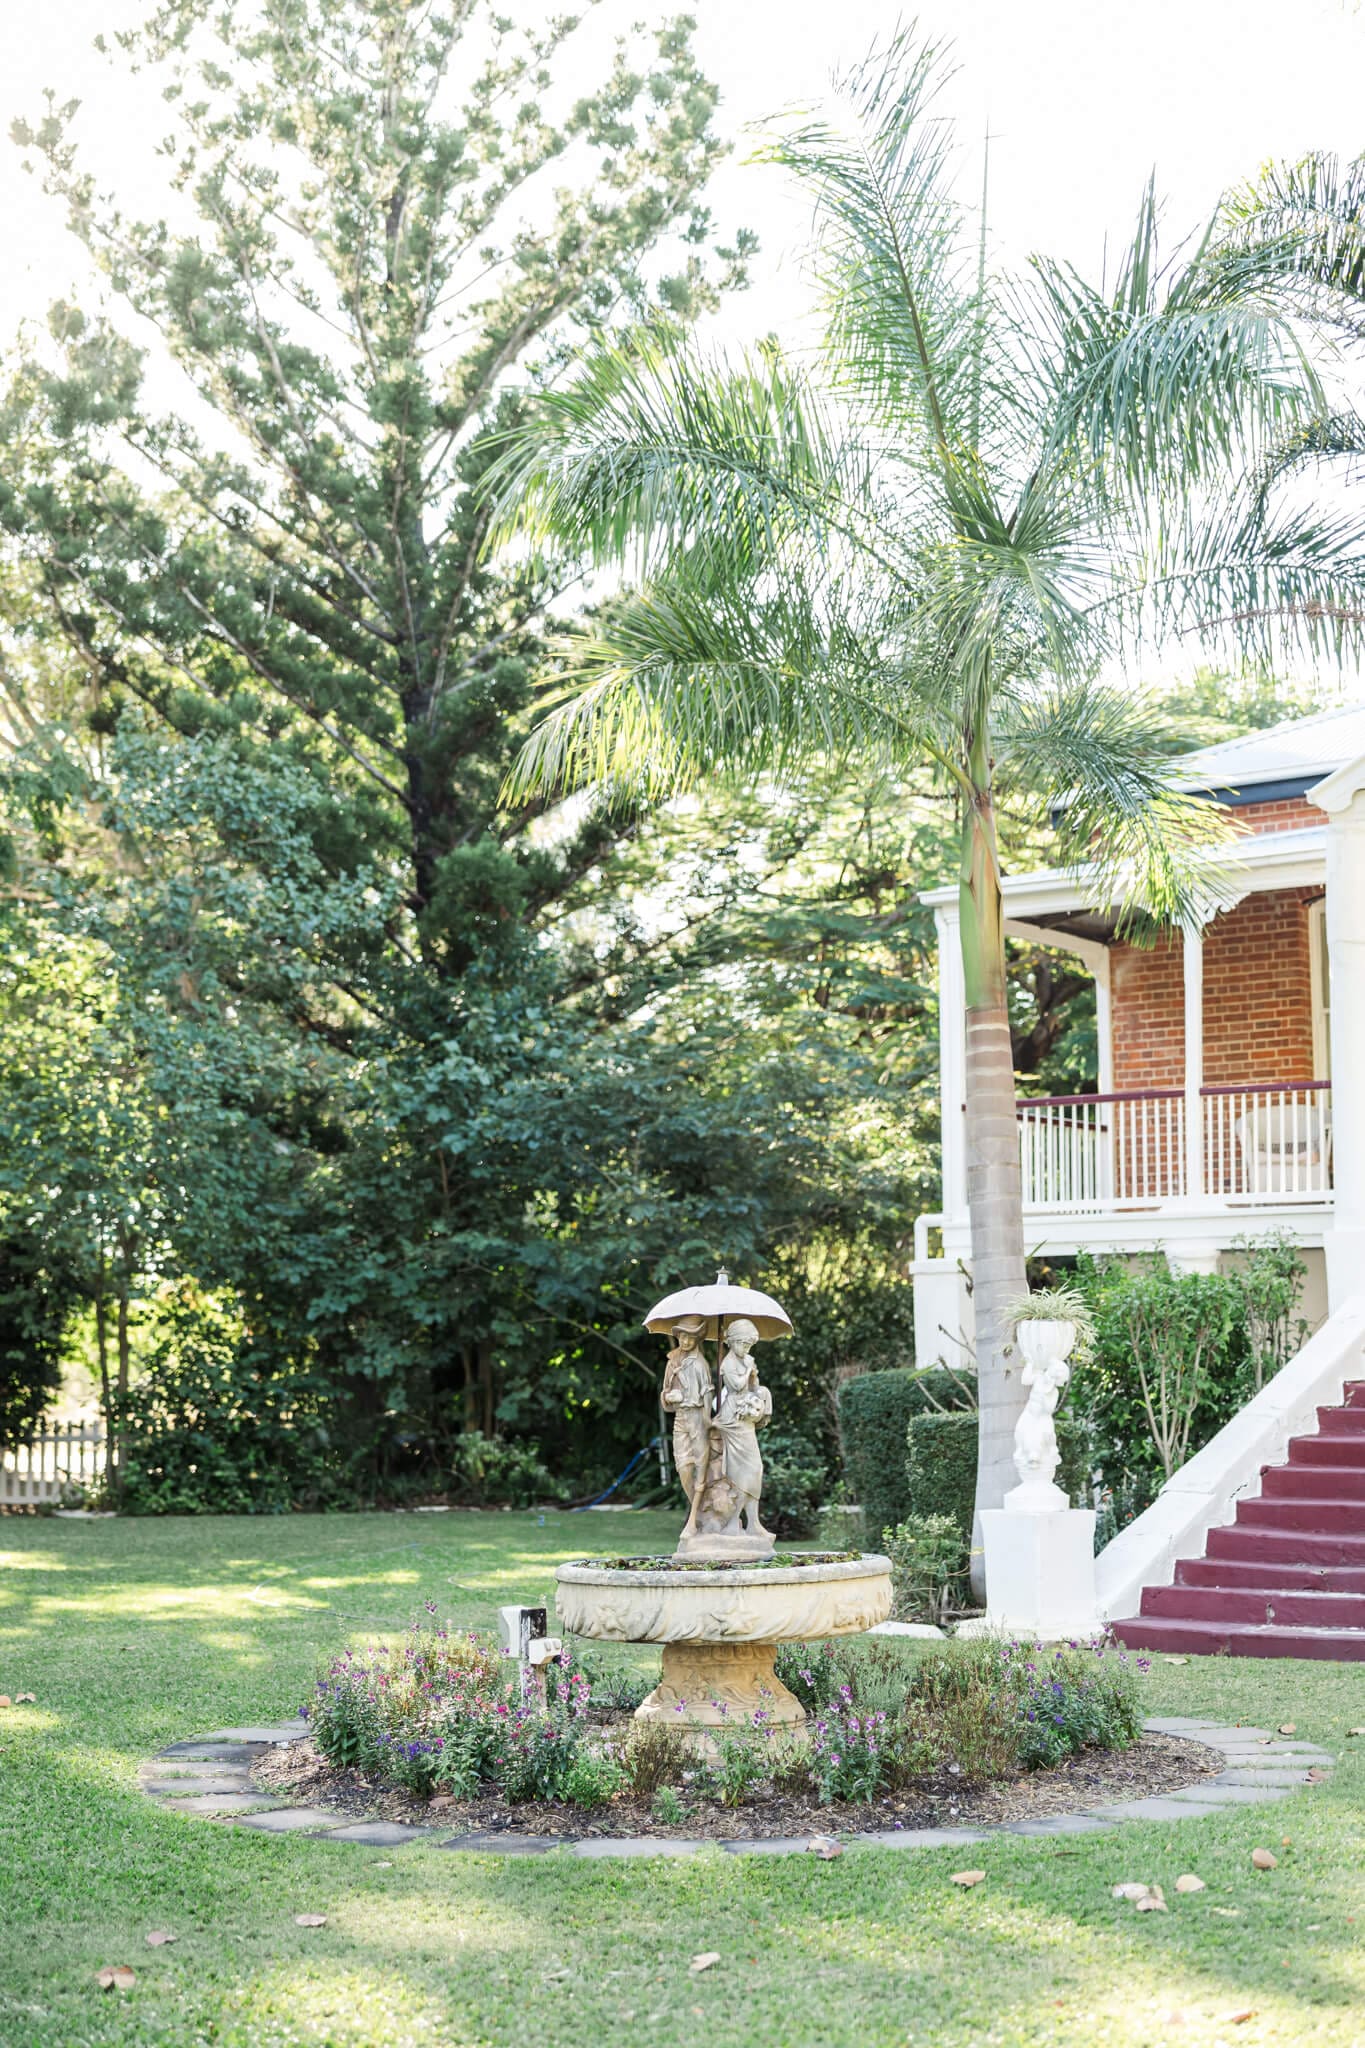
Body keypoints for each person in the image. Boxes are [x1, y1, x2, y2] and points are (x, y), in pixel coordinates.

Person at [711, 1318, 773, 1538]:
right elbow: (736, 1386)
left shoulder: (746, 1359)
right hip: (733, 1419)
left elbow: (751, 1386)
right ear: (732, 1341)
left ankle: (754, 1523)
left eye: (749, 1345)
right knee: (742, 1472)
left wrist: (758, 1386)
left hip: (745, 1417)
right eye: (743, 1344)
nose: (746, 1349)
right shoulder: (727, 1363)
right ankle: (733, 1523)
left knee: (755, 1468)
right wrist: (748, 1370)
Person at [661, 1314, 713, 1532]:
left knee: (701, 1467)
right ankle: (700, 1513)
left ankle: (697, 1520)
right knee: (683, 1468)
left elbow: (708, 1392)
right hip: (680, 1419)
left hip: (697, 1419)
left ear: (698, 1339)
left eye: (691, 1338)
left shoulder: (701, 1365)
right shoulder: (672, 1362)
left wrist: (708, 1418)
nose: (686, 1341)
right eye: (683, 1336)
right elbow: (664, 1392)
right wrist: (670, 1396)